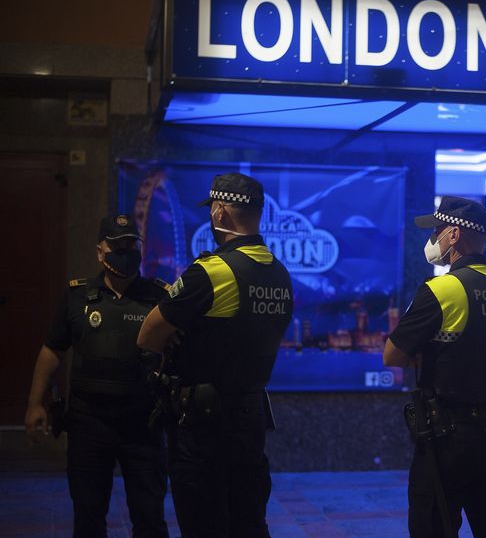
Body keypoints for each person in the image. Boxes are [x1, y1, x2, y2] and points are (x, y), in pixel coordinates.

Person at [137, 173, 294, 537]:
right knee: (249, 522)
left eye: (212, 210)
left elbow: (148, 333)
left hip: (203, 430)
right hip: (251, 421)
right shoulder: (279, 273)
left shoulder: (212, 271)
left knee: (204, 523)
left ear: (220, 212)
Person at [384, 196, 486, 538]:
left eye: (436, 231)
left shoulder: (445, 288)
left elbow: (393, 355)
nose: (432, 239)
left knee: (432, 526)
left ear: (453, 235)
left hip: (448, 439)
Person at [24, 215, 170, 538]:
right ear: (100, 253)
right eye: (118, 246)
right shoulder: (77, 297)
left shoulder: (159, 298)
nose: (127, 251)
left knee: (149, 517)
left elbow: (177, 354)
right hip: (89, 423)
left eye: (133, 244)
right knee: (88, 517)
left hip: (142, 423)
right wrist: (36, 403)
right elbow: (52, 351)